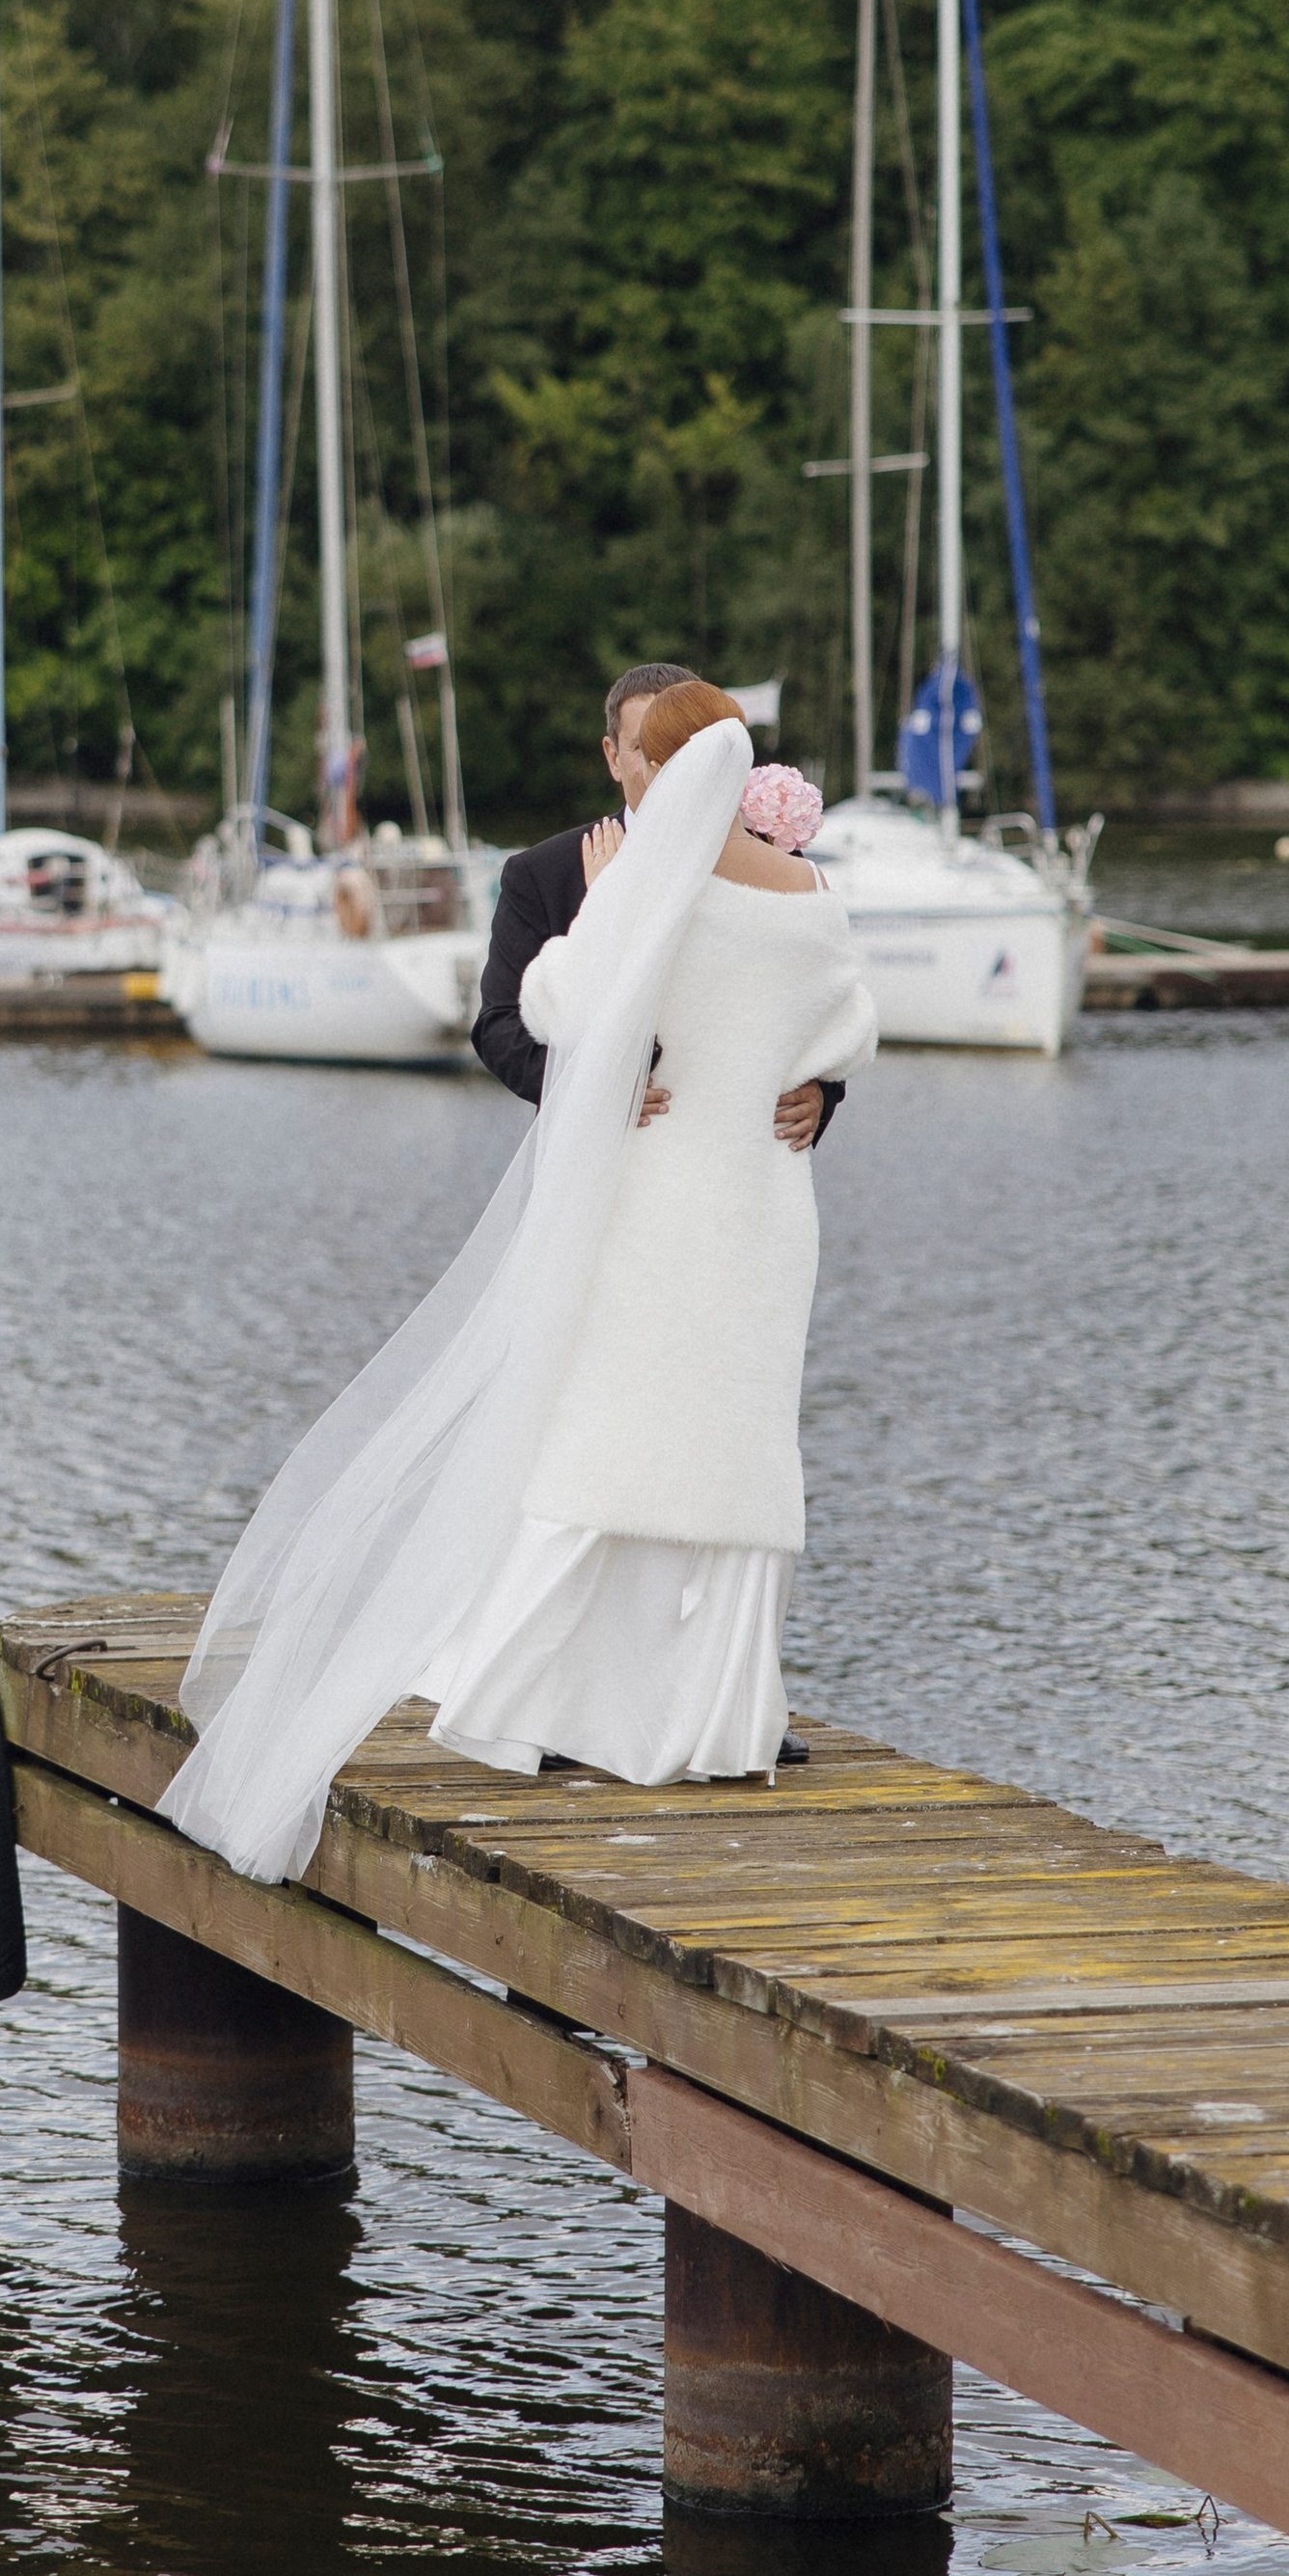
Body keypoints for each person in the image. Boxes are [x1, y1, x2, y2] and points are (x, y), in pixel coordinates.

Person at [159, 684, 876, 1885]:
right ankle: (708, 1715)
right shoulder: (803, 894)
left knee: (610, 1435)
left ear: (664, 763)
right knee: (719, 1442)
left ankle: (554, 1695)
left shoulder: (631, 881)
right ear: (618, 758)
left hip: (655, 1202)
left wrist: (611, 923)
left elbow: (567, 996)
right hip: (754, 1212)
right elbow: (830, 1022)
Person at [475, 659, 840, 1155]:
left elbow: (819, 1001)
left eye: (682, 750)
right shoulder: (543, 873)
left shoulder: (774, 864)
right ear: (613, 756)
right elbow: (499, 1026)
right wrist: (596, 1087)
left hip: (731, 1158)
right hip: (600, 1154)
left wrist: (821, 1092)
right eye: (644, 748)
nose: (665, 768)